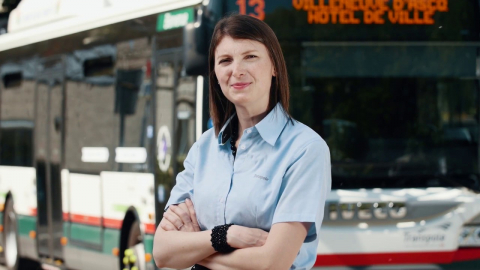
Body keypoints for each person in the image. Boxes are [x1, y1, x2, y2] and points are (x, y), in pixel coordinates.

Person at [153, 14, 331, 270]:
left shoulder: (305, 150)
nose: (236, 70)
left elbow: (272, 263)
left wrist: (194, 248)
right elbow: (161, 252)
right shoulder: (203, 149)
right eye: (225, 60)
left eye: (250, 56)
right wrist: (225, 236)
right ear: (214, 73)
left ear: (274, 67)